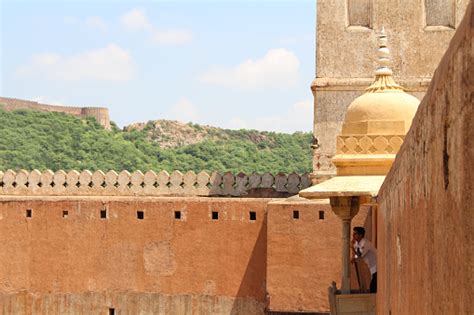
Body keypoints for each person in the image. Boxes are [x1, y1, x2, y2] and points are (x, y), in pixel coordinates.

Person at [351, 226, 377, 293]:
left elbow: (359, 255)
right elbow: (355, 254)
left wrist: (351, 248)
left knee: (373, 286)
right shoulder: (357, 243)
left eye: (355, 234)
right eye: (353, 233)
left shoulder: (365, 243)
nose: (353, 235)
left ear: (360, 235)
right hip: (372, 266)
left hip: (377, 265)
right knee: (374, 284)